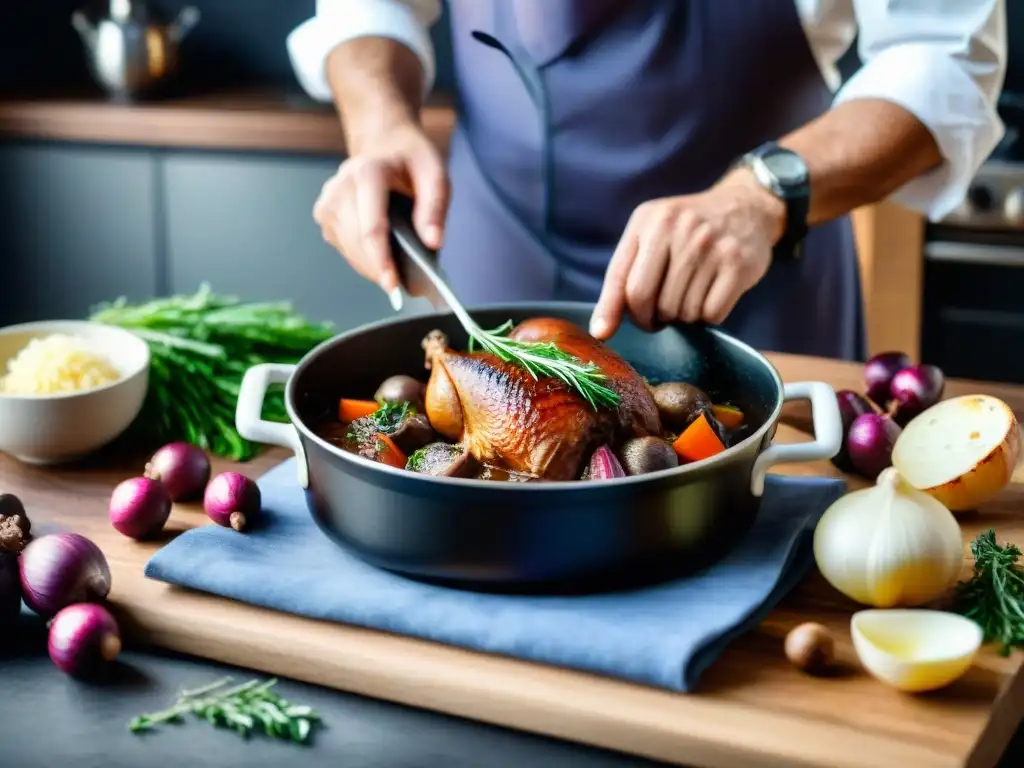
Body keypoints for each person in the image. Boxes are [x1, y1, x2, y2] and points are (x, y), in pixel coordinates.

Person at [287, 0, 1006, 360]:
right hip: (490, 252)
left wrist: (760, 194)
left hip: (753, 273)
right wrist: (380, 126)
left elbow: (942, 57)